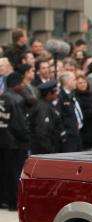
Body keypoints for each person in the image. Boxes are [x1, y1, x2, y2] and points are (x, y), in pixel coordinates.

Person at [0, 71, 30, 210]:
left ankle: (3, 200)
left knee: (4, 172)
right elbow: (19, 125)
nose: (23, 85)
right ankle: (14, 202)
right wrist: (27, 137)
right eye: (22, 83)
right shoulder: (17, 99)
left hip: (3, 141)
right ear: (16, 84)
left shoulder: (2, 97)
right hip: (15, 143)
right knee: (15, 173)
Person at [30, 79, 64, 154]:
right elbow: (42, 133)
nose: (57, 94)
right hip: (44, 151)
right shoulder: (43, 108)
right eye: (55, 91)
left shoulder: (47, 105)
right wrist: (50, 151)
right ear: (49, 93)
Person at [57, 72, 84, 152]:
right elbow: (59, 116)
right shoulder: (61, 96)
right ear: (67, 82)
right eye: (74, 80)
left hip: (76, 133)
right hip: (68, 135)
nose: (76, 82)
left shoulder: (72, 95)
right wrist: (64, 133)